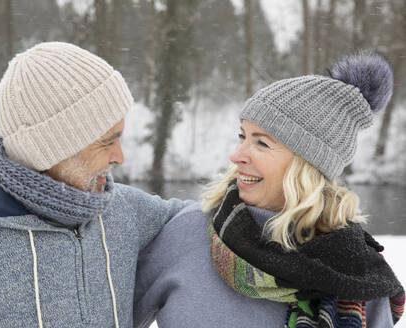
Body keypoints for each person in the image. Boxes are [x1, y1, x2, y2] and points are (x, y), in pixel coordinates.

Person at [0, 42, 189, 327]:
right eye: (107, 141)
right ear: (52, 149)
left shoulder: (124, 213)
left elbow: (204, 221)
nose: (119, 157)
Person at [134, 51, 405, 328]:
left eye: (261, 143)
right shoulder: (188, 234)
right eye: (242, 136)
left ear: (307, 166)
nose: (237, 155)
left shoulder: (358, 275)